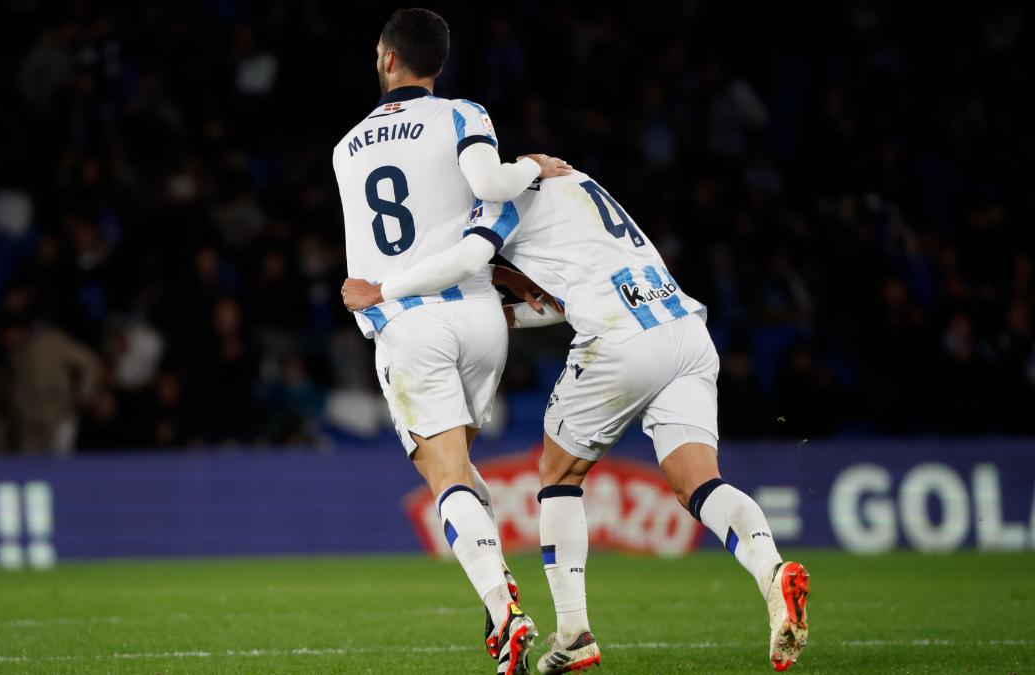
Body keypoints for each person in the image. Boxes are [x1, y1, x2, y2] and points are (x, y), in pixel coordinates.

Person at [342, 171, 811, 673]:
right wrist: (508, 308)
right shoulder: (579, 183)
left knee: (558, 475)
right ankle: (772, 572)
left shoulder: (498, 200)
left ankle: (573, 633)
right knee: (699, 483)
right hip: (684, 330)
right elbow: (564, 300)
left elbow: (465, 259)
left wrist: (386, 290)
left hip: (621, 337)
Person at [331, 8, 571, 674]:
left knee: (443, 479)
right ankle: (497, 603)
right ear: (439, 61)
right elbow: (482, 196)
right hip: (481, 319)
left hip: (411, 323)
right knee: (459, 470)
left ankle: (505, 611)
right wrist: (535, 167)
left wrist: (374, 313)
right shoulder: (466, 113)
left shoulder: (347, 147)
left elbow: (368, 268)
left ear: (385, 58)